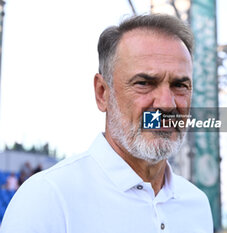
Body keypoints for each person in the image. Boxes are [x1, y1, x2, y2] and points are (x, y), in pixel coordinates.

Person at [0, 14, 213, 232]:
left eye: (180, 85)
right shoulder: (48, 199)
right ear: (102, 93)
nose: (167, 104)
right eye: (144, 83)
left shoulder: (197, 205)